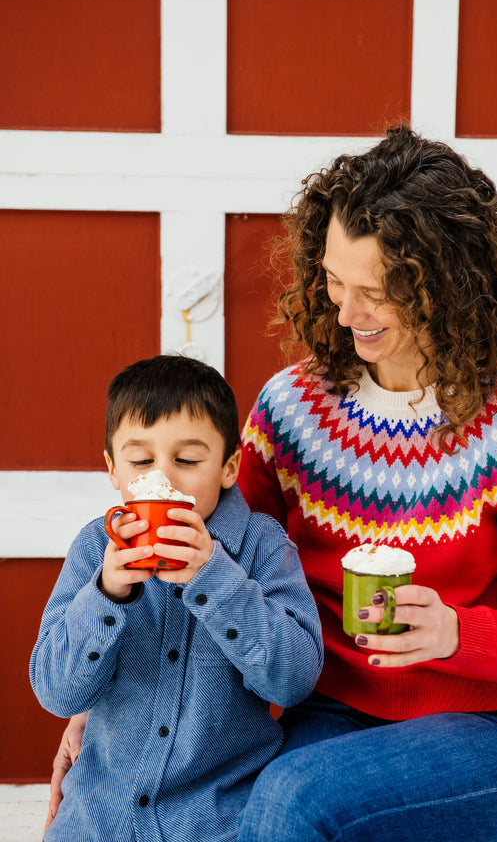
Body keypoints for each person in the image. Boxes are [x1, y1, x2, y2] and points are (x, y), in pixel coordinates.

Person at [46, 124, 497, 841]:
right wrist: (110, 705)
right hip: (326, 715)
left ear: (446, 285)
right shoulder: (293, 407)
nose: (344, 312)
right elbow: (220, 559)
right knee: (234, 810)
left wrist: (454, 632)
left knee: (295, 798)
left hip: (489, 735)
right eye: (332, 279)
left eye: (377, 292)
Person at [30, 355, 323, 842]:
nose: (163, 479)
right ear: (113, 471)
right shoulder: (93, 550)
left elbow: (292, 680)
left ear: (229, 467)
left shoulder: (261, 546)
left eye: (187, 460)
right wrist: (106, 595)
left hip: (217, 819)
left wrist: (214, 578)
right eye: (141, 462)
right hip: (99, 819)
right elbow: (56, 691)